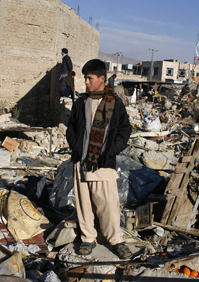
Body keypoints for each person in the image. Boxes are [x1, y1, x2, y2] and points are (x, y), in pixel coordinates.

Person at [66, 59, 132, 259]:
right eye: (85, 78)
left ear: (102, 79)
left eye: (90, 78)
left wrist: (112, 149)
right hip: (81, 161)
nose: (86, 82)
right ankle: (87, 238)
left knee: (108, 205)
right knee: (84, 204)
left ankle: (116, 240)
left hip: (103, 163)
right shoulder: (81, 102)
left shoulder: (114, 103)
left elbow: (125, 129)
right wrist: (77, 146)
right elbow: (71, 128)